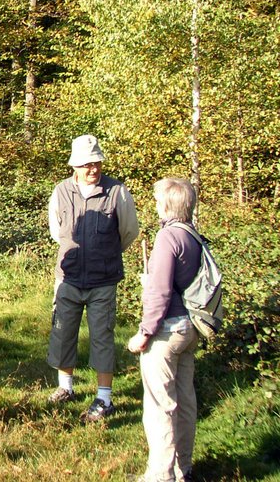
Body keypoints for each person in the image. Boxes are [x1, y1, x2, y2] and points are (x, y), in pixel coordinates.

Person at [46, 134, 140, 421]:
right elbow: (56, 231)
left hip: (103, 280)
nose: (93, 169)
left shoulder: (117, 192)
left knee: (102, 336)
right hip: (69, 277)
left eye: (96, 162)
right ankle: (66, 388)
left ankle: (104, 398)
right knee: (63, 332)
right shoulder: (60, 191)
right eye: (87, 164)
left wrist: (104, 253)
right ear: (74, 166)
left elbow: (129, 232)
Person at [127, 178, 201, 482]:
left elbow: (160, 292)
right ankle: (184, 467)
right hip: (189, 328)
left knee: (161, 406)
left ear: (167, 205)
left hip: (167, 332)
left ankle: (161, 474)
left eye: (158, 201)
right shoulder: (193, 235)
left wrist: (145, 332)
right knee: (185, 401)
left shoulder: (168, 237)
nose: (155, 205)